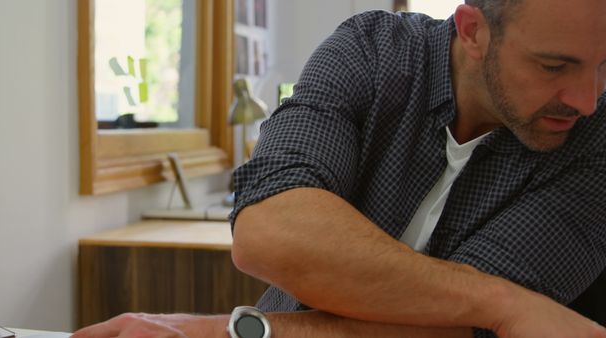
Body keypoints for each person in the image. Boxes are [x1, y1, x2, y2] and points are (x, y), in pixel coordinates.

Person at [72, 0, 606, 337]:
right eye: (553, 66)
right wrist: (503, 303)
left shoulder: (596, 138)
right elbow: (269, 231)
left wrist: (220, 332)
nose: (585, 99)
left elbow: (464, 333)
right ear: (471, 31)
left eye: (604, 64)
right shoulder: (372, 52)